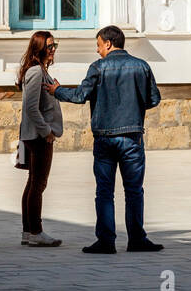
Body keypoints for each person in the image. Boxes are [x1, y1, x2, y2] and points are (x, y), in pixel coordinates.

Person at [49, 26, 163, 254]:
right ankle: (137, 239)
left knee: (104, 191)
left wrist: (57, 90)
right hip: (132, 138)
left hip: (104, 139)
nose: (97, 49)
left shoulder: (98, 68)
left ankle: (106, 241)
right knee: (134, 191)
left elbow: (80, 96)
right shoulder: (141, 66)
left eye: (99, 44)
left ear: (109, 43)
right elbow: (153, 99)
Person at [16, 30, 62, 247]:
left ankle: (28, 231)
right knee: (38, 185)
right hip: (39, 137)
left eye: (54, 46)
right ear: (40, 49)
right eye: (49, 46)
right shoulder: (36, 72)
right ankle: (36, 231)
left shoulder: (40, 71)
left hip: (35, 135)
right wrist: (47, 132)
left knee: (33, 183)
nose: (53, 50)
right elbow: (31, 108)